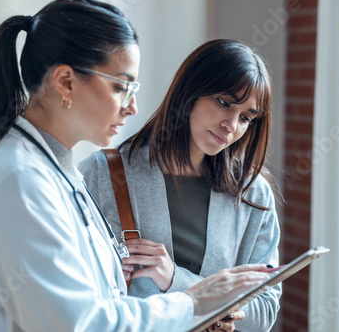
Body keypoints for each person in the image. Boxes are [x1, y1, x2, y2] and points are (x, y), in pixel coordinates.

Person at [0, 0, 272, 331]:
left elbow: (101, 303)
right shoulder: (21, 181)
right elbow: (84, 325)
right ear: (65, 82)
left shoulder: (57, 172)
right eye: (121, 86)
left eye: (246, 117)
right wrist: (195, 301)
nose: (132, 107)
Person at [79, 39, 281, 332]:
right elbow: (74, 294)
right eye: (224, 103)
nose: (231, 125)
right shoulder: (102, 173)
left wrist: (176, 279)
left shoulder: (253, 193)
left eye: (246, 118)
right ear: (190, 93)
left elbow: (264, 313)